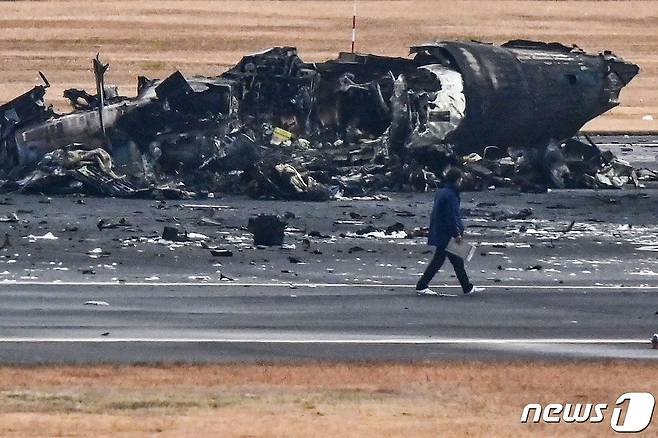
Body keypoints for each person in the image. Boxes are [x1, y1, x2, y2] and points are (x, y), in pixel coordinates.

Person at [416, 167, 483, 296]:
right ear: (457, 180)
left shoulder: (442, 192)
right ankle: (422, 285)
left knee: (447, 261)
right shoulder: (451, 195)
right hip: (446, 233)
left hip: (441, 231)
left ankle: (466, 287)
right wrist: (456, 233)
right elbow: (451, 216)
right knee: (451, 261)